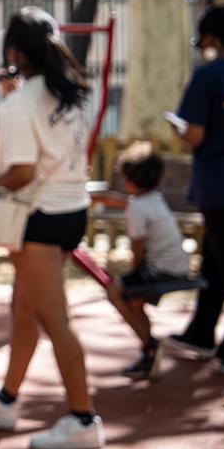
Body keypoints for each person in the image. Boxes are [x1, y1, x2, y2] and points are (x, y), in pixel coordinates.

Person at [0, 7, 105, 449]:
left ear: (14, 51)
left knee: (55, 319)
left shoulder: (19, 104)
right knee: (24, 308)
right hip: (72, 210)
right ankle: (6, 399)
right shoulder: (76, 91)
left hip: (39, 220)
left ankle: (83, 419)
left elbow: (20, 173)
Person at [164, 5, 224, 376]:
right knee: (216, 257)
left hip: (219, 180)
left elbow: (194, 134)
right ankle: (202, 331)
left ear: (211, 37)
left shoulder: (206, 77)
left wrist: (177, 127)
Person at [92, 142, 191, 380]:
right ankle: (148, 351)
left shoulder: (136, 209)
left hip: (161, 269)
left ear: (128, 180)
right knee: (135, 302)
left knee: (116, 292)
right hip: (179, 264)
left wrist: (133, 275)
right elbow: (127, 201)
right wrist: (101, 199)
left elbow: (137, 247)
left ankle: (150, 345)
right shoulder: (152, 199)